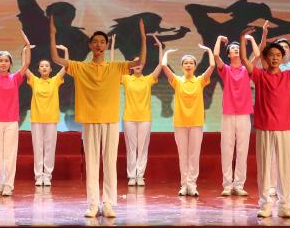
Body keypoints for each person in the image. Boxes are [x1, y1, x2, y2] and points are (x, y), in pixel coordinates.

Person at [51, 15, 147, 218]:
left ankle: (109, 204)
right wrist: (52, 34)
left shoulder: (116, 67)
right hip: (90, 120)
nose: (99, 45)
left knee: (110, 163)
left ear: (106, 45)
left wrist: (143, 38)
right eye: (95, 42)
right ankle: (93, 204)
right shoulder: (80, 67)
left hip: (110, 120)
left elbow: (141, 61)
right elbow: (57, 59)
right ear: (90, 45)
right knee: (92, 163)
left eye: (102, 42)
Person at [242, 23, 290, 219]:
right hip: (264, 127)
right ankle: (265, 204)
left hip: (284, 128)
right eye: (271, 55)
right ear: (265, 58)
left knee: (284, 168)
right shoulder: (259, 76)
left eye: (278, 55)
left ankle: (284, 205)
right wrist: (242, 38)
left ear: (283, 58)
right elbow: (245, 60)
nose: (274, 58)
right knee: (264, 168)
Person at [160, 41, 215, 197]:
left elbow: (212, 66)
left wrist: (208, 50)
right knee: (183, 155)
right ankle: (184, 185)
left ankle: (192, 185)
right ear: (182, 66)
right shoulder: (177, 81)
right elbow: (164, 66)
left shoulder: (200, 81)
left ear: (195, 66)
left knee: (194, 155)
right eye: (186, 63)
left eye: (191, 63)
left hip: (196, 122)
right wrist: (167, 53)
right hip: (180, 122)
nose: (189, 65)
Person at [0, 30, 33, 196]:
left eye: (6, 61)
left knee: (10, 155)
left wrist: (27, 45)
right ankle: (1, 183)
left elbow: (26, 64)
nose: (3, 63)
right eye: (0, 61)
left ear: (10, 63)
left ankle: (9, 185)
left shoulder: (15, 78)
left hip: (11, 121)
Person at [213, 34, 253, 196]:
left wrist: (251, 40)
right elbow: (216, 55)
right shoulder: (226, 70)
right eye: (233, 49)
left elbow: (257, 55)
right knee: (227, 149)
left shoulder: (247, 69)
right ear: (229, 54)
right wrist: (219, 39)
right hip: (228, 113)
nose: (236, 50)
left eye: (238, 48)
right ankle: (227, 185)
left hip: (244, 114)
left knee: (242, 150)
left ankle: (239, 185)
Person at [121, 35, 162, 187]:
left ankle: (140, 175)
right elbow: (112, 67)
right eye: (135, 62)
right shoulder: (126, 78)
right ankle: (132, 175)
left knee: (143, 148)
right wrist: (111, 48)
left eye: (140, 62)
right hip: (129, 118)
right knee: (131, 148)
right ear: (132, 66)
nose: (138, 64)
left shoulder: (148, 79)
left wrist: (160, 47)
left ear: (143, 65)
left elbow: (160, 65)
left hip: (145, 118)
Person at [26, 50, 66, 187]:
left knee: (50, 148)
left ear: (50, 69)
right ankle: (38, 176)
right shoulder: (34, 81)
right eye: (42, 66)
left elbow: (66, 66)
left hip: (51, 119)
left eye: (47, 66)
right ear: (38, 69)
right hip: (36, 119)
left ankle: (47, 176)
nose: (44, 68)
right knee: (37, 148)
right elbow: (24, 67)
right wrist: (25, 51)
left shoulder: (55, 81)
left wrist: (66, 52)